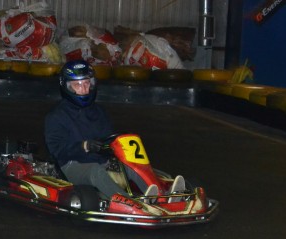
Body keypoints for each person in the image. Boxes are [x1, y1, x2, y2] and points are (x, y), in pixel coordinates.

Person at [44, 60, 184, 200]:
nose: (84, 89)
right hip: (71, 165)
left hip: (100, 161)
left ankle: (162, 197)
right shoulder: (56, 117)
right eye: (78, 85)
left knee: (131, 165)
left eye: (87, 83)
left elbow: (108, 138)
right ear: (67, 86)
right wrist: (84, 146)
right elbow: (57, 150)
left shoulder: (99, 112)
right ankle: (128, 202)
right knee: (95, 171)